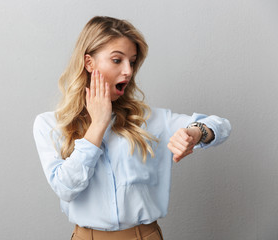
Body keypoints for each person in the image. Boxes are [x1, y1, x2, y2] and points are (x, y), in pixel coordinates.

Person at [33, 16, 231, 240]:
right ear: (89, 63)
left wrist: (195, 132)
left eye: (132, 61)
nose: (128, 71)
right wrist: (98, 124)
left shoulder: (148, 120)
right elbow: (66, 189)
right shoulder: (50, 124)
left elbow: (220, 125)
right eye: (117, 60)